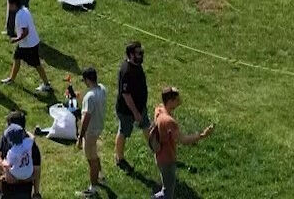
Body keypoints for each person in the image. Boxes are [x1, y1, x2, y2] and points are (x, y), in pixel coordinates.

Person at [149, 86, 211, 198]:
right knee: (168, 192)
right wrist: (202, 135)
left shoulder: (159, 110)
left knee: (166, 187)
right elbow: (183, 140)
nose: (180, 102)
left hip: (159, 156)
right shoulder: (169, 121)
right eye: (177, 100)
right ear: (170, 101)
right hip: (167, 159)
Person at [2, 0, 52, 93]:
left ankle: (47, 84)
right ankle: (11, 79)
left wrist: (16, 39)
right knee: (16, 58)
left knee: (37, 64)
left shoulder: (21, 15)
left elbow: (25, 32)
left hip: (29, 45)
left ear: (14, 5)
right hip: (26, 43)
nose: (9, 6)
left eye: (9, 4)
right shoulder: (24, 9)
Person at [74, 66, 108, 196]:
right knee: (94, 153)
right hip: (98, 127)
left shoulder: (90, 96)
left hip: (90, 131)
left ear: (88, 79)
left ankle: (92, 188)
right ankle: (100, 176)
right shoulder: (102, 89)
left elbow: (86, 118)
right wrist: (81, 100)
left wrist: (80, 137)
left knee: (91, 159)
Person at [114, 41, 148, 169]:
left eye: (142, 52)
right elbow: (126, 95)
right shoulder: (126, 71)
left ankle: (157, 149)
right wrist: (136, 113)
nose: (141, 55)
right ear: (131, 55)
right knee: (123, 132)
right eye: (139, 53)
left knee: (146, 126)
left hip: (140, 107)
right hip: (127, 111)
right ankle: (119, 158)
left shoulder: (137, 66)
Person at [0, 111, 39, 199]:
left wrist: (8, 173)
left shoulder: (12, 151)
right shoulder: (29, 143)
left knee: (3, 163)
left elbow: (5, 163)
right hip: (25, 176)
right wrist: (36, 192)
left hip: (20, 184)